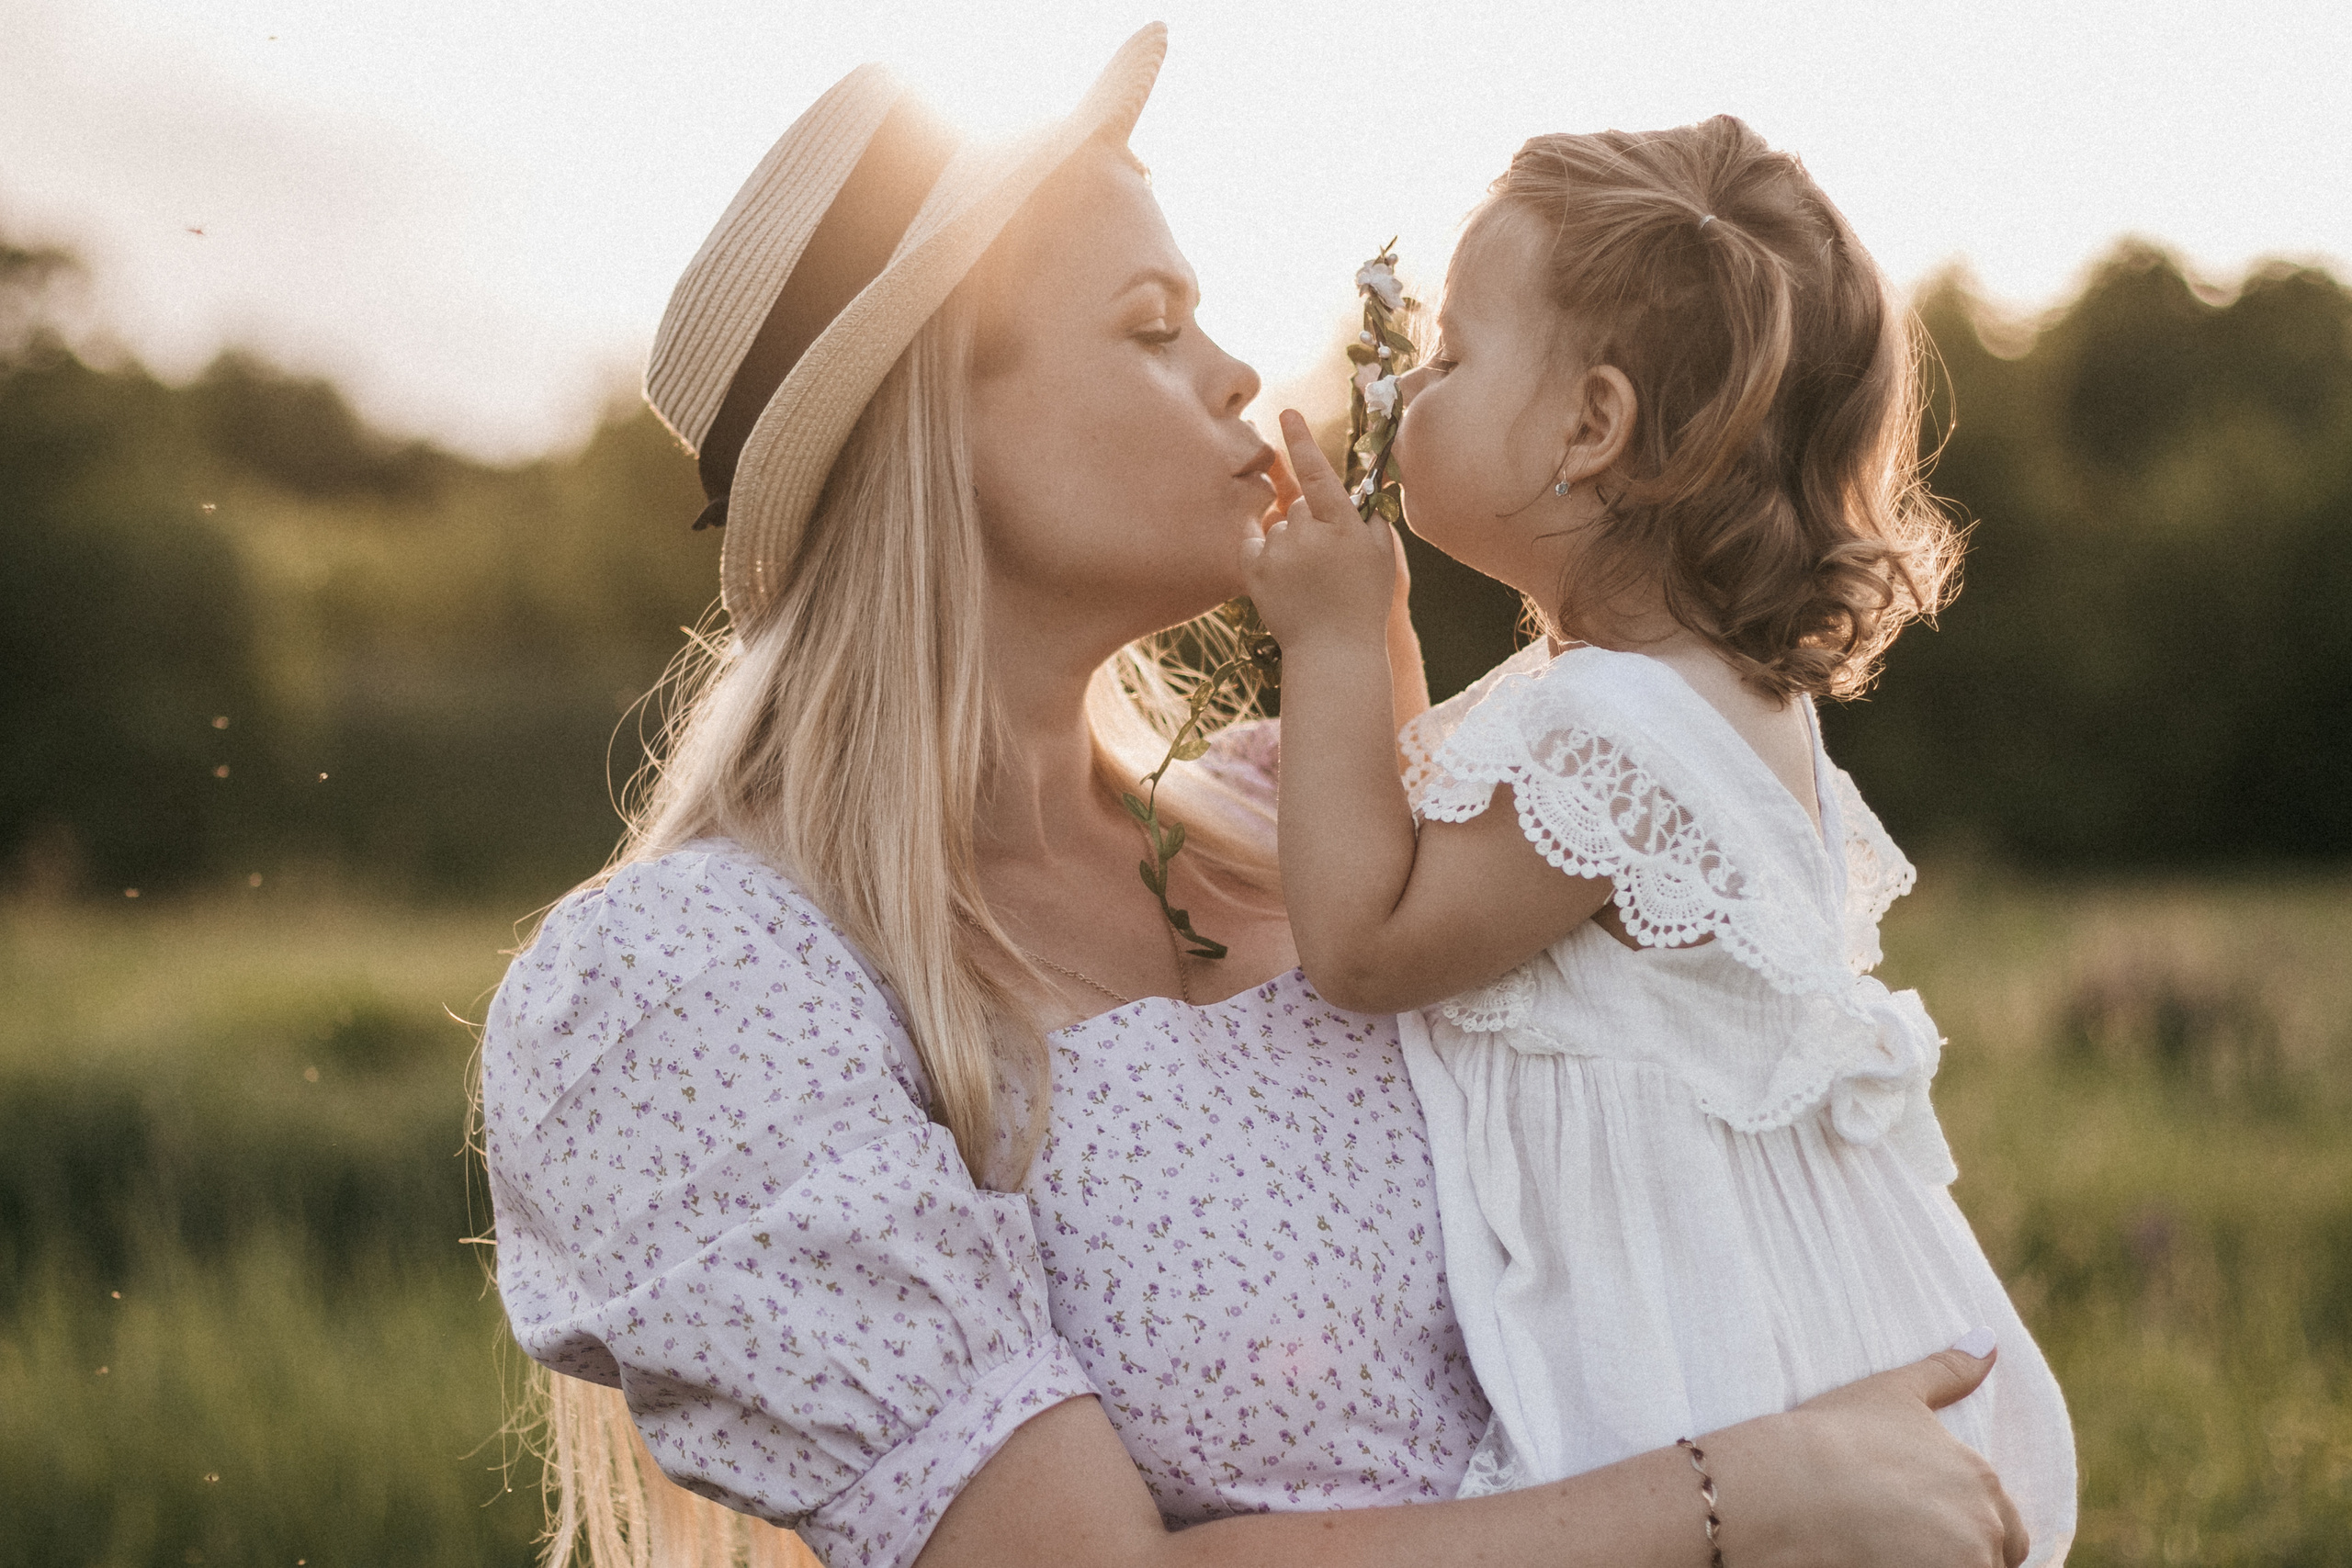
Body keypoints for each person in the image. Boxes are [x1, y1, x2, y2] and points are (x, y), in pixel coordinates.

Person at [479, 27, 2032, 1568]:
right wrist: (1738, 1502)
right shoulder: (715, 985)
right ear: (932, 422)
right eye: (1156, 328)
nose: (1236, 374)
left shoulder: (1296, 822)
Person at [1238, 118, 2075, 1560]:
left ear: (1589, 428)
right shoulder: (1683, 703)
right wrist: (1374, 620)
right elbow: (1427, 845)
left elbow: (1371, 946)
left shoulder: (1614, 739)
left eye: (1450, 361)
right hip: (1789, 1307)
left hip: (1706, 1355)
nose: (1413, 389)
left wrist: (1318, 645)